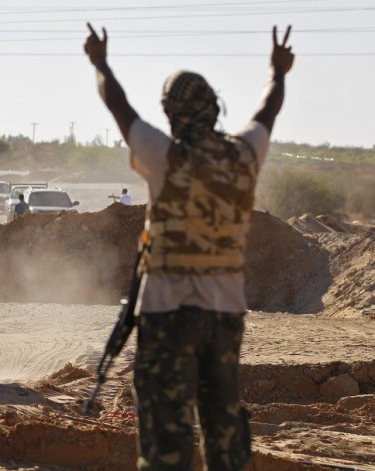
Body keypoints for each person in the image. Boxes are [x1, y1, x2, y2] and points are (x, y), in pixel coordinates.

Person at [85, 23, 294, 471]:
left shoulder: (164, 157)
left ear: (169, 111)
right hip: (225, 318)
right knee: (223, 426)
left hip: (168, 315)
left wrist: (101, 63)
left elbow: (118, 106)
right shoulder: (244, 157)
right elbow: (267, 111)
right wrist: (278, 72)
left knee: (166, 438)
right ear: (215, 109)